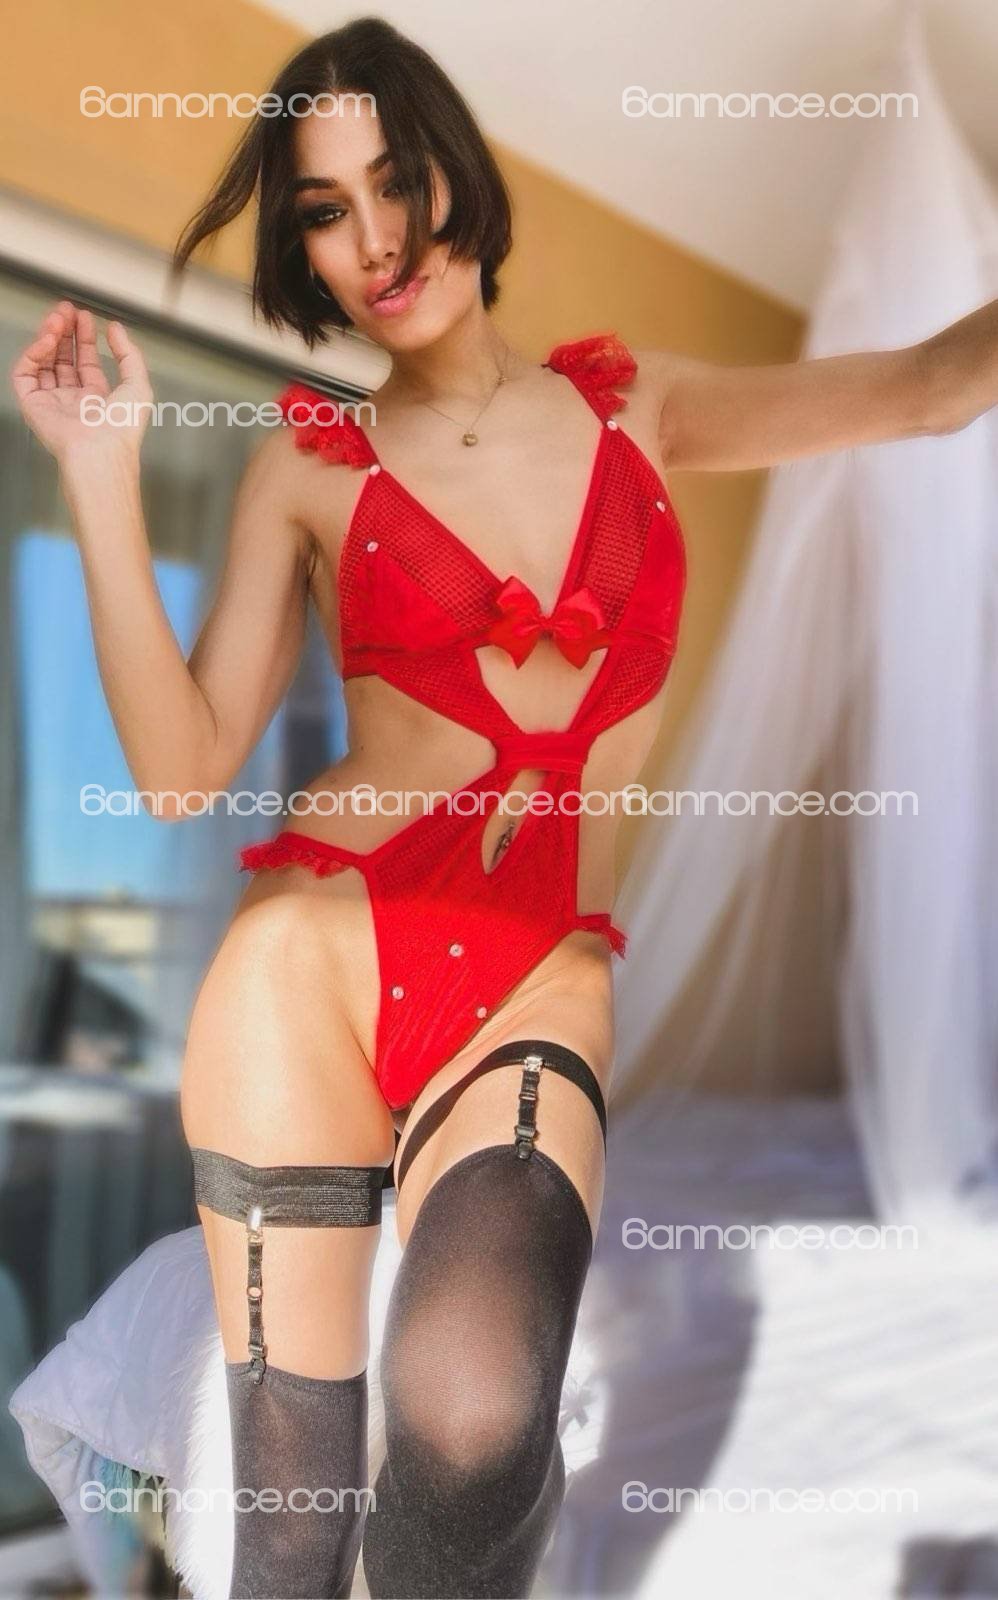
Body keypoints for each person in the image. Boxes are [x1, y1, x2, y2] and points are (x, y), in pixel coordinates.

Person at [11, 15, 998, 1599]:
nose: (376, 239)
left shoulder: (637, 407)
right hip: (306, 970)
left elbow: (938, 387)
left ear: (456, 177)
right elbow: (184, 768)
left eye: (396, 182)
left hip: (535, 970)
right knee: (288, 1526)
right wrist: (100, 474)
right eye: (325, 211)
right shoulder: (307, 469)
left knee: (472, 1418)